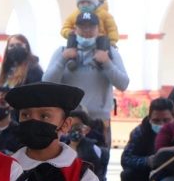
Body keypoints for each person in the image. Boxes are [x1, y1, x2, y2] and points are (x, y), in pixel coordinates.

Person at [44, 12, 129, 147]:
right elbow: (46, 83)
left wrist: (106, 63)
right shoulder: (61, 52)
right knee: (65, 165)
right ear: (75, 29)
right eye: (82, 27)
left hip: (98, 122)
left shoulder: (110, 52)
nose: (87, 31)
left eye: (91, 27)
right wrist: (62, 60)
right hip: (68, 121)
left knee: (98, 165)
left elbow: (123, 84)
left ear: (98, 29)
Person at [120, 97, 174, 181]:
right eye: (156, 121)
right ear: (149, 118)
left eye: (166, 121)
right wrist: (147, 161)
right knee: (127, 175)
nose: (161, 125)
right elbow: (126, 158)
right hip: (146, 180)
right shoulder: (140, 132)